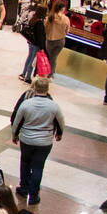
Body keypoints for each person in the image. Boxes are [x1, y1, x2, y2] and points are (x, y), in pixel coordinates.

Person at [10, 76, 63, 206]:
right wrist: (59, 134)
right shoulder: (53, 105)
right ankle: (33, 196)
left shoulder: (26, 104)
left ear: (35, 87)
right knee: (38, 167)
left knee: (25, 163)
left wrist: (14, 135)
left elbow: (17, 122)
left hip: (27, 139)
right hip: (44, 142)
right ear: (47, 88)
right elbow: (61, 122)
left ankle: (23, 188)